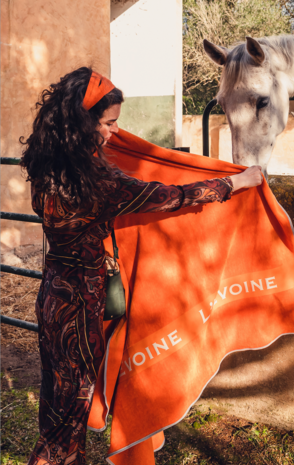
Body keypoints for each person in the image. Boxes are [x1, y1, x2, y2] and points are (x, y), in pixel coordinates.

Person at [20, 67, 262, 465]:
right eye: (109, 124)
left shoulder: (48, 164)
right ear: (83, 124)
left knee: (56, 415)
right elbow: (167, 196)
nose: (114, 132)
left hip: (52, 295)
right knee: (64, 432)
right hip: (81, 307)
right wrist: (234, 183)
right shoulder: (96, 181)